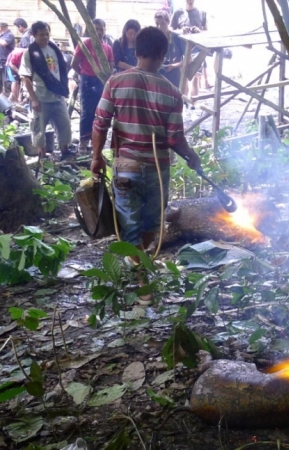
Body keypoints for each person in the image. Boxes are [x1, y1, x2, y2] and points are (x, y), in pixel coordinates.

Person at [90, 26, 201, 274]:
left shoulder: (116, 82)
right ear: (163, 54)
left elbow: (100, 123)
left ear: (137, 51)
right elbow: (174, 139)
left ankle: (139, 270)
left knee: (129, 225)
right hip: (157, 170)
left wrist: (96, 158)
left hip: (126, 167)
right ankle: (143, 273)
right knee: (151, 222)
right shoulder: (172, 92)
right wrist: (192, 156)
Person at [20, 21, 72, 160]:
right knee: (39, 129)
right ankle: (41, 155)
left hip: (57, 96)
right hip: (41, 97)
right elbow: (26, 78)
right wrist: (34, 99)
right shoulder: (30, 53)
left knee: (64, 125)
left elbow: (61, 71)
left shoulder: (54, 49)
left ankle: (65, 152)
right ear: (34, 35)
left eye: (47, 34)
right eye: (41, 35)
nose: (45, 37)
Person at [72, 18, 114, 153]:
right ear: (90, 30)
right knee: (87, 111)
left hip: (101, 82)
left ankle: (94, 141)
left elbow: (111, 67)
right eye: (96, 29)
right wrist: (84, 74)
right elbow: (74, 63)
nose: (99, 32)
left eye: (101, 29)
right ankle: (83, 141)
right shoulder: (84, 45)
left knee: (100, 111)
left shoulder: (107, 48)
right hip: (87, 81)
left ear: (105, 30)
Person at [170, 0, 208, 95]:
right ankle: (184, 101)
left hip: (198, 49)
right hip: (182, 49)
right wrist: (181, 30)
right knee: (184, 76)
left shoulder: (202, 13)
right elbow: (170, 29)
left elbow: (207, 32)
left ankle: (193, 104)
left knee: (196, 76)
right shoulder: (178, 12)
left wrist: (199, 32)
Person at [154, 10, 185, 89]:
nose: (159, 27)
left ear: (168, 22)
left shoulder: (177, 37)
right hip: (158, 77)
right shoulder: (154, 38)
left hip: (174, 77)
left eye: (162, 23)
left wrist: (173, 66)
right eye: (157, 24)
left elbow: (189, 59)